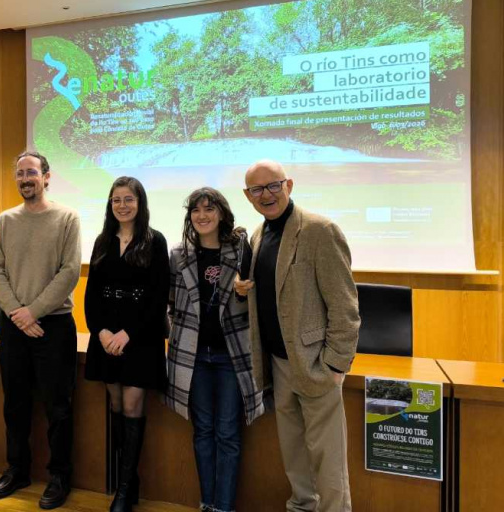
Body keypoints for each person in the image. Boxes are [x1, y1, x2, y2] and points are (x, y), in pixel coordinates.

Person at [234, 160, 360, 512]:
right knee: (293, 452)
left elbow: (345, 306)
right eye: (257, 189)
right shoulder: (259, 236)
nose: (266, 194)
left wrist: (335, 364)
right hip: (278, 363)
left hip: (315, 364)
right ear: (248, 196)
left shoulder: (321, 230)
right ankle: (302, 506)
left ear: (289, 185)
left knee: (328, 458)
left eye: (273, 185)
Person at [0, 151, 82, 510]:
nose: (26, 179)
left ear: (46, 176)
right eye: (20, 174)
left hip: (53, 325)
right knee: (15, 403)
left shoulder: (67, 217)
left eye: (32, 173)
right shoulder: (5, 220)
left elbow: (70, 270)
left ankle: (59, 476)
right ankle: (17, 469)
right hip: (13, 325)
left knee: (58, 406)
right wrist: (17, 313)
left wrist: (34, 312)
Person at [164, 187, 266, 512]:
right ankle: (207, 503)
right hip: (193, 358)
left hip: (230, 357)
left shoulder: (240, 250)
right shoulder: (179, 254)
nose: (202, 216)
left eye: (209, 209)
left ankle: (223, 507)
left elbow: (257, 300)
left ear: (221, 212)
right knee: (203, 431)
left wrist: (240, 294)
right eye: (196, 210)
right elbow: (170, 303)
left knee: (228, 434)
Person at [83, 176, 169, 512]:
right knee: (116, 405)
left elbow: (158, 295)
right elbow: (91, 296)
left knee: (133, 406)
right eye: (116, 199)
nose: (122, 205)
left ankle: (124, 489)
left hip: (140, 339)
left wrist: (127, 334)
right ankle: (127, 483)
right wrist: (101, 331)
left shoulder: (155, 240)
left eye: (128, 199)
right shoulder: (103, 240)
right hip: (106, 339)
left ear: (140, 203)